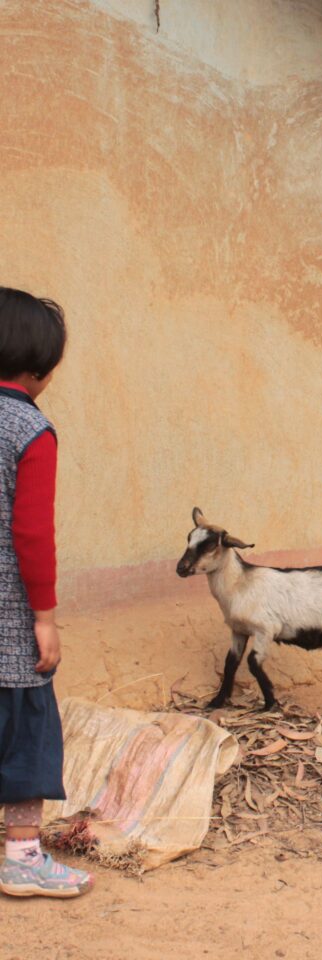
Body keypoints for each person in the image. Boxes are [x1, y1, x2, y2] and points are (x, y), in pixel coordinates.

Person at [0, 286, 92, 898]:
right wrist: (46, 618)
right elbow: (32, 533)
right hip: (9, 621)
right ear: (40, 370)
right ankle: (23, 856)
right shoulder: (31, 429)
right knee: (26, 724)